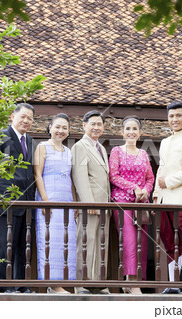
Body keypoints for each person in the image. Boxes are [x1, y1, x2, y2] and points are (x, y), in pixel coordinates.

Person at [0, 103, 36, 293]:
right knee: (5, 247)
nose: (26, 121)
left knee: (24, 246)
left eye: (30, 118)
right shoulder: (1, 135)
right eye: (23, 116)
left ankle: (22, 286)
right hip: (6, 201)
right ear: (12, 116)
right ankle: (3, 287)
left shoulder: (30, 140)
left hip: (27, 202)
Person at [152, 101, 182, 294]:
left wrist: (168, 182)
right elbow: (161, 170)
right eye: (171, 116)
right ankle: (173, 284)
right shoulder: (165, 142)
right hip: (165, 199)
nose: (174, 119)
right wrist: (157, 193)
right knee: (169, 241)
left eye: (178, 115)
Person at [109, 115, 154, 295]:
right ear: (122, 132)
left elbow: (150, 177)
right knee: (128, 240)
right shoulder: (117, 151)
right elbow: (114, 176)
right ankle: (133, 283)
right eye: (127, 129)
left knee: (141, 242)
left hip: (140, 203)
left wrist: (145, 191)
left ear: (140, 133)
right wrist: (134, 187)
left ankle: (131, 282)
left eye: (134, 129)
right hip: (122, 201)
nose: (131, 132)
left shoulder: (143, 154)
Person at [34, 113, 77, 294]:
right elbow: (37, 175)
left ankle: (63, 283)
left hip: (66, 200)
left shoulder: (68, 151)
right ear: (50, 127)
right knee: (49, 240)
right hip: (49, 199)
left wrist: (74, 204)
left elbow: (71, 179)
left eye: (64, 128)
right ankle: (52, 284)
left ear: (68, 131)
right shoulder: (42, 147)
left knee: (66, 242)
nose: (60, 131)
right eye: (57, 127)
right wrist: (45, 201)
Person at [71, 110, 111, 294]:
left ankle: (97, 282)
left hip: (105, 204)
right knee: (86, 242)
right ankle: (82, 284)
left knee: (100, 243)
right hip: (91, 204)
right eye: (92, 124)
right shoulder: (80, 146)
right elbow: (80, 178)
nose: (96, 127)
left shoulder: (101, 148)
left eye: (99, 124)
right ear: (84, 125)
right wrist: (89, 203)